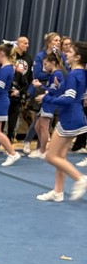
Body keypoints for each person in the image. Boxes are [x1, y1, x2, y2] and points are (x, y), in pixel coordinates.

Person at [36, 39, 87, 202]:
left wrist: (47, 99)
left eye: (70, 52)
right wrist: (54, 89)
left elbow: (69, 99)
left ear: (78, 57)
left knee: (51, 156)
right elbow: (69, 93)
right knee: (61, 157)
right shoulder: (81, 73)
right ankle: (58, 192)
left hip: (70, 118)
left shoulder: (73, 74)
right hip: (74, 116)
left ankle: (80, 178)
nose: (66, 54)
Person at [30, 53, 65, 158]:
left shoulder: (57, 74)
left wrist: (40, 86)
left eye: (45, 64)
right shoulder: (52, 74)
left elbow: (55, 92)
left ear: (53, 63)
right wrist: (44, 94)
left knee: (44, 127)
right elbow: (50, 90)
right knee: (37, 126)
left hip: (50, 103)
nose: (44, 66)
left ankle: (43, 151)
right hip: (46, 102)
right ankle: (44, 148)